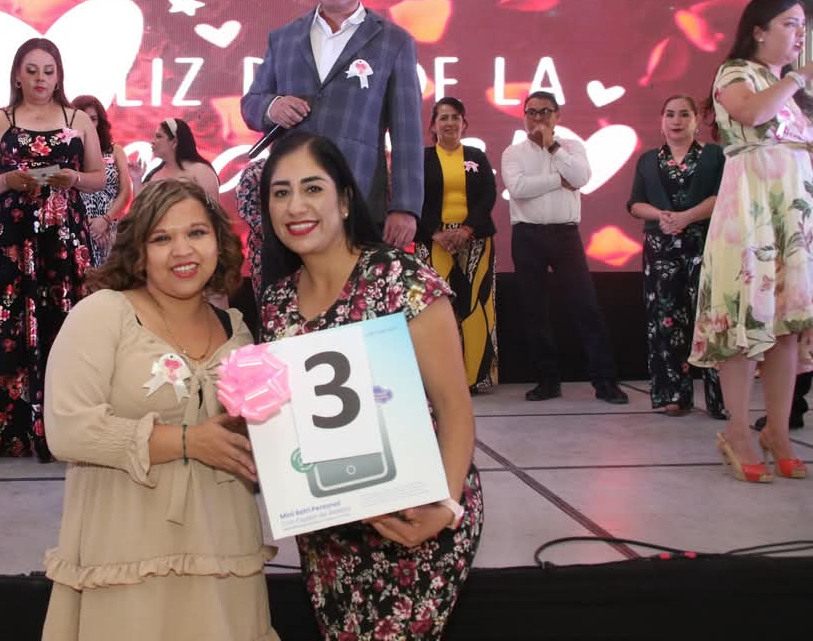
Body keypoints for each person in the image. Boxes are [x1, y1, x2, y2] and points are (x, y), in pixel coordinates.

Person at [257, 132, 483, 640]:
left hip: (419, 515)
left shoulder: (399, 278)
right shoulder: (276, 304)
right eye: (280, 192)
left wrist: (445, 506)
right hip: (330, 528)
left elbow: (454, 408)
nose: (296, 206)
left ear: (344, 199)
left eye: (312, 188)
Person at [41, 179, 278, 641]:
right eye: (162, 238)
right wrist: (188, 442)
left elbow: (261, 436)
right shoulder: (103, 314)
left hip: (224, 550)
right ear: (139, 251)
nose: (182, 250)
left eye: (197, 233)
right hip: (126, 554)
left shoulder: (237, 330)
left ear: (218, 241)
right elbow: (68, 428)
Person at [240, 0, 424, 296]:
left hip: (357, 198)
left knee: (362, 306)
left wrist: (406, 207)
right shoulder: (284, 38)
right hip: (291, 206)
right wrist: (272, 106)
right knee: (286, 304)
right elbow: (251, 103)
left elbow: (408, 132)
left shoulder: (394, 41)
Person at [690, 0, 813, 482]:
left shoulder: (790, 92)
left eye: (802, 25)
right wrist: (797, 78)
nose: (800, 33)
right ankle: (738, 430)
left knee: (785, 326)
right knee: (742, 321)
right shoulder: (736, 73)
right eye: (790, 24)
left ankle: (778, 431)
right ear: (759, 30)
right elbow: (753, 114)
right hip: (750, 212)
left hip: (792, 218)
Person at [0, 37, 105, 461]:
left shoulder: (77, 118)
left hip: (64, 236)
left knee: (68, 324)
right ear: (17, 75)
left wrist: (73, 178)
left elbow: (99, 177)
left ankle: (69, 430)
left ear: (59, 76)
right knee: (9, 327)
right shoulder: (1, 119)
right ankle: (10, 434)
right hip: (14, 238)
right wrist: (8, 181)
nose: (40, 79)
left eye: (48, 71)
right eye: (31, 71)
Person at [501, 91, 629, 404]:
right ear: (524, 116)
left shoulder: (572, 147)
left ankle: (605, 382)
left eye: (545, 111)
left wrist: (553, 148)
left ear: (558, 116)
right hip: (527, 236)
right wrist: (559, 180)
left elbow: (581, 177)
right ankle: (547, 381)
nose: (537, 118)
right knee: (535, 310)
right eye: (531, 112)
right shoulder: (513, 152)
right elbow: (518, 188)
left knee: (586, 307)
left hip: (565, 235)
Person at [628, 95, 725, 418]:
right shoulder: (648, 160)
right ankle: (673, 394)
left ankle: (720, 399)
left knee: (710, 319)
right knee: (665, 320)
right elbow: (635, 204)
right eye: (670, 114)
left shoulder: (715, 155)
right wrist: (663, 215)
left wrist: (687, 217)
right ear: (662, 120)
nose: (676, 121)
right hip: (661, 249)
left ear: (696, 120)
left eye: (684, 114)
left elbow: (723, 196)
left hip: (706, 243)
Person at [416, 97, 498, 395]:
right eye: (443, 117)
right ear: (433, 125)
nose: (450, 123)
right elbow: (413, 196)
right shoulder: (421, 158)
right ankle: (437, 378)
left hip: (474, 238)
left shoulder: (476, 155)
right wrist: (436, 232)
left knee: (476, 304)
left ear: (464, 123)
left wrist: (466, 229)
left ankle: (475, 377)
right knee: (435, 308)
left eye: (455, 117)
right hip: (433, 240)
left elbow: (489, 195)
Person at [72, 94, 133, 266]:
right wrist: (88, 225)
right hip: (76, 227)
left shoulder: (115, 151)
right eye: (84, 119)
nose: (89, 124)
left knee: (110, 279)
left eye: (93, 119)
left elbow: (125, 191)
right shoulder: (66, 154)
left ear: (100, 122)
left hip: (110, 228)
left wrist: (105, 220)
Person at [140, 117, 220, 200]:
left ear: (174, 142)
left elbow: (213, 206)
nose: (152, 141)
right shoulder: (154, 175)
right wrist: (136, 179)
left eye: (159, 136)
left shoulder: (201, 171)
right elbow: (140, 206)